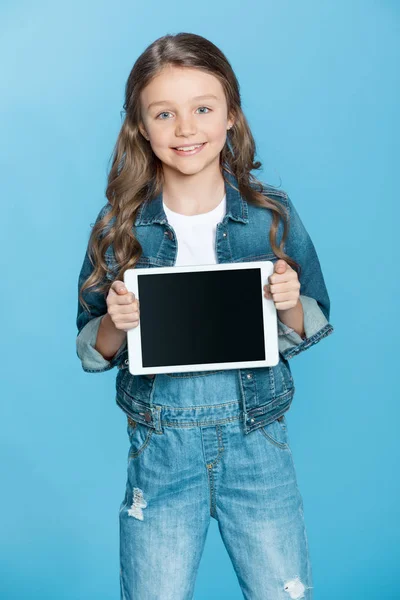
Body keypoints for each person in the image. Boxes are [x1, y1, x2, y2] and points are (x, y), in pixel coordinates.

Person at [76, 32, 334, 600]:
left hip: (257, 440)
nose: (186, 129)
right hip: (161, 448)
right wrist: (117, 320)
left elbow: (309, 320)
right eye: (164, 113)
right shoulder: (119, 225)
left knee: (282, 592)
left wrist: (288, 298)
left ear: (231, 117)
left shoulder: (271, 215)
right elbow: (92, 347)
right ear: (141, 126)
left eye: (202, 109)